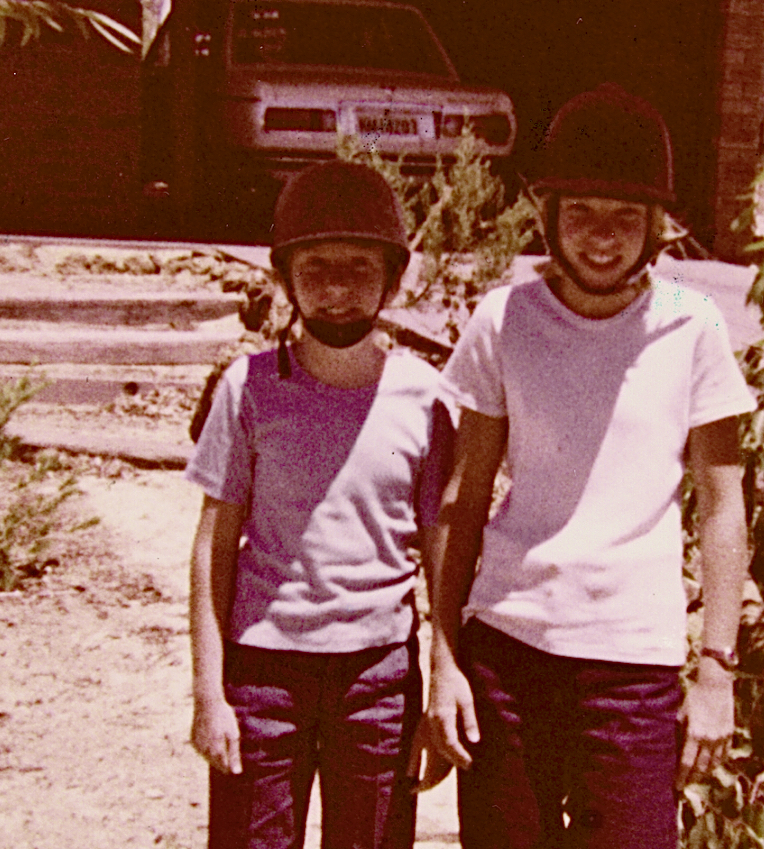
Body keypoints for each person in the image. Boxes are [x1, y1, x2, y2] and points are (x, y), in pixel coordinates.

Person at [418, 83, 757, 849]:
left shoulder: (692, 327)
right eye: (582, 215)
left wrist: (717, 673)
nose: (601, 238)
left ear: (657, 228)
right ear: (549, 213)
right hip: (508, 649)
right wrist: (444, 657)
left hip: (632, 665)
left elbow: (722, 506)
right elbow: (462, 501)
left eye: (624, 219)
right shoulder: (503, 320)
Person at [185, 160, 454, 849]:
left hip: (378, 675)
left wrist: (445, 679)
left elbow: (443, 552)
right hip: (265, 672)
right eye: (315, 268)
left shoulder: (425, 397)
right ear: (285, 279)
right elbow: (214, 545)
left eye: (360, 268)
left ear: (395, 279)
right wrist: (210, 692)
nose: (336, 289)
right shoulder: (248, 390)